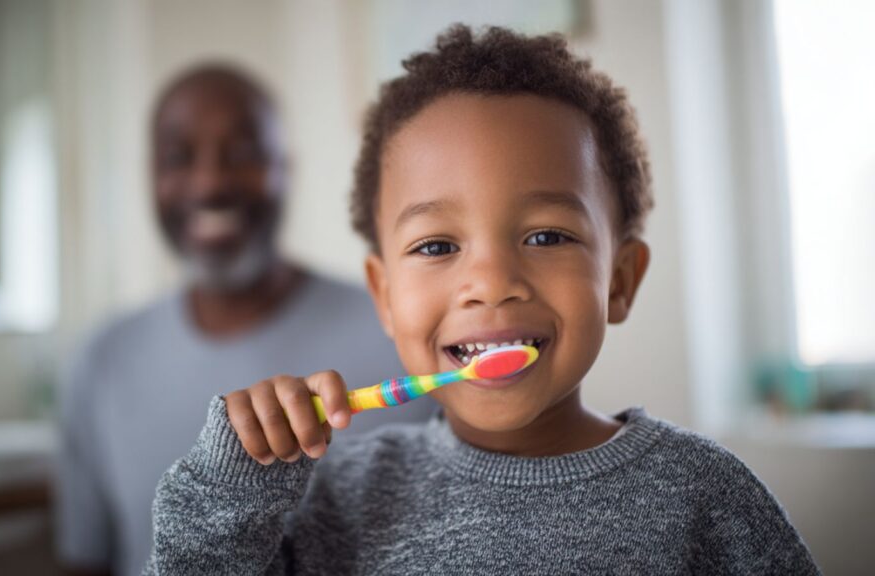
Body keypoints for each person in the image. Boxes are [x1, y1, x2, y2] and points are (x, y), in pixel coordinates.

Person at [142, 26, 821, 575]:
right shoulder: (338, 497)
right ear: (385, 297)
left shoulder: (704, 496)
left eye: (547, 236)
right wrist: (230, 490)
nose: (492, 282)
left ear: (619, 281)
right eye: (437, 245)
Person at [54, 64, 434, 576]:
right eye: (179, 157)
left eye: (240, 153)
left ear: (285, 169)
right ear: (150, 177)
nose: (211, 182)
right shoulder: (100, 363)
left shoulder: (403, 334)